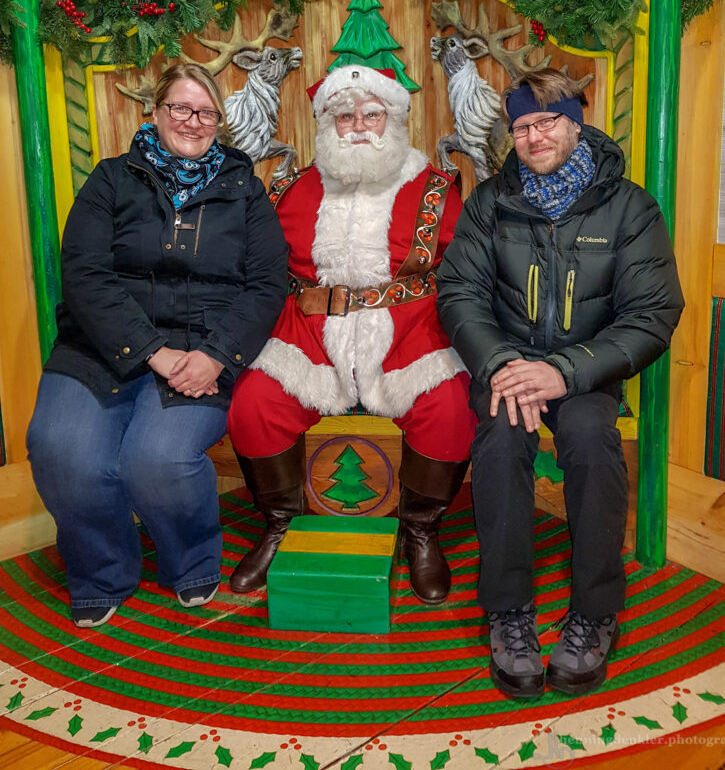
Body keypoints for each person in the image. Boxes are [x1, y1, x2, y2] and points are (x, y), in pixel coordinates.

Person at [435, 69, 684, 697]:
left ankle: (595, 612)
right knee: (499, 432)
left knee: (592, 437)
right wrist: (498, 365)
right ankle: (509, 612)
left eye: (547, 121)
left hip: (586, 370)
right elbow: (460, 292)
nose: (533, 135)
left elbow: (651, 315)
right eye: (521, 126)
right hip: (510, 366)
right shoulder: (492, 203)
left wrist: (565, 371)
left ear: (575, 123)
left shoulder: (630, 207)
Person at [27, 63, 288, 628]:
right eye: (180, 108)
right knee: (62, 451)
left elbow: (267, 284)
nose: (192, 121)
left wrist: (218, 355)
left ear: (219, 122)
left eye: (205, 112)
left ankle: (190, 561)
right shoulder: (111, 179)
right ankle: (102, 571)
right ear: (155, 112)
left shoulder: (246, 193)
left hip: (202, 350)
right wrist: (151, 350)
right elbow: (85, 273)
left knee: (157, 458)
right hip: (100, 344)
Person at [227, 64, 475, 604]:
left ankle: (421, 532)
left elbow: (465, 275)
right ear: (326, 124)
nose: (358, 125)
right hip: (309, 329)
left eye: (371, 113)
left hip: (411, 329)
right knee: (253, 405)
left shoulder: (436, 188)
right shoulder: (290, 189)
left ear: (394, 118)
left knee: (450, 406)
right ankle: (280, 525)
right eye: (344, 116)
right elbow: (262, 269)